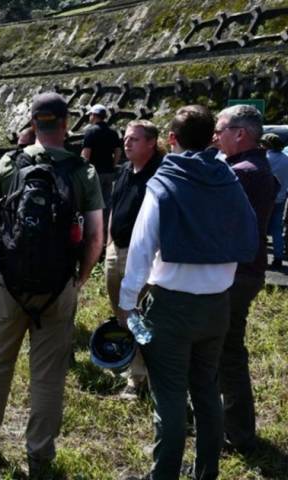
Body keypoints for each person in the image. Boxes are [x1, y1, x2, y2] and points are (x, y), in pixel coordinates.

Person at [0, 92, 104, 475]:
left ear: (32, 123)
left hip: (10, 284)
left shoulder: (10, 163)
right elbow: (95, 238)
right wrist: (79, 279)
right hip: (59, 286)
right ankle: (39, 455)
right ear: (65, 123)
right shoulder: (82, 171)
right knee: (48, 374)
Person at [118, 105, 258, 480]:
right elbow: (246, 234)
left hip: (172, 306)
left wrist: (127, 303)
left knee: (170, 397)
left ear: (171, 140)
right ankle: (206, 473)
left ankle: (163, 474)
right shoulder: (227, 179)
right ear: (211, 137)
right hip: (217, 305)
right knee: (208, 393)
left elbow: (141, 248)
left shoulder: (164, 184)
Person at [215, 105, 277, 454]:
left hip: (235, 274)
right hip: (245, 271)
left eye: (221, 129)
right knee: (227, 349)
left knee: (227, 352)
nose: (216, 135)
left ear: (240, 133)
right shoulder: (256, 167)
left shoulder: (242, 173)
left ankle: (237, 433)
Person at [105, 120, 162, 399]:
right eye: (126, 138)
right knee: (121, 314)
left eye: (134, 139)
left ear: (151, 142)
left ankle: (141, 379)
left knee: (141, 315)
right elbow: (115, 208)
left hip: (142, 255)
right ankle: (131, 365)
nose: (126, 143)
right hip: (116, 250)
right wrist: (108, 245)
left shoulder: (160, 172)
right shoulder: (125, 170)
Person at [81, 104, 122, 234]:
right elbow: (118, 151)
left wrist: (82, 170)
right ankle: (104, 232)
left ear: (94, 115)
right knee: (107, 203)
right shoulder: (112, 132)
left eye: (90, 115)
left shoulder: (90, 132)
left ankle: (92, 233)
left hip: (94, 173)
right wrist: (113, 165)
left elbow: (86, 154)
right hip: (109, 172)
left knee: (92, 203)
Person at [261, 133, 288, 269]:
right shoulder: (286, 159)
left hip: (266, 198)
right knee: (277, 229)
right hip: (281, 198)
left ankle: (260, 257)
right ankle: (278, 257)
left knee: (262, 228)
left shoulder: (265, 158)